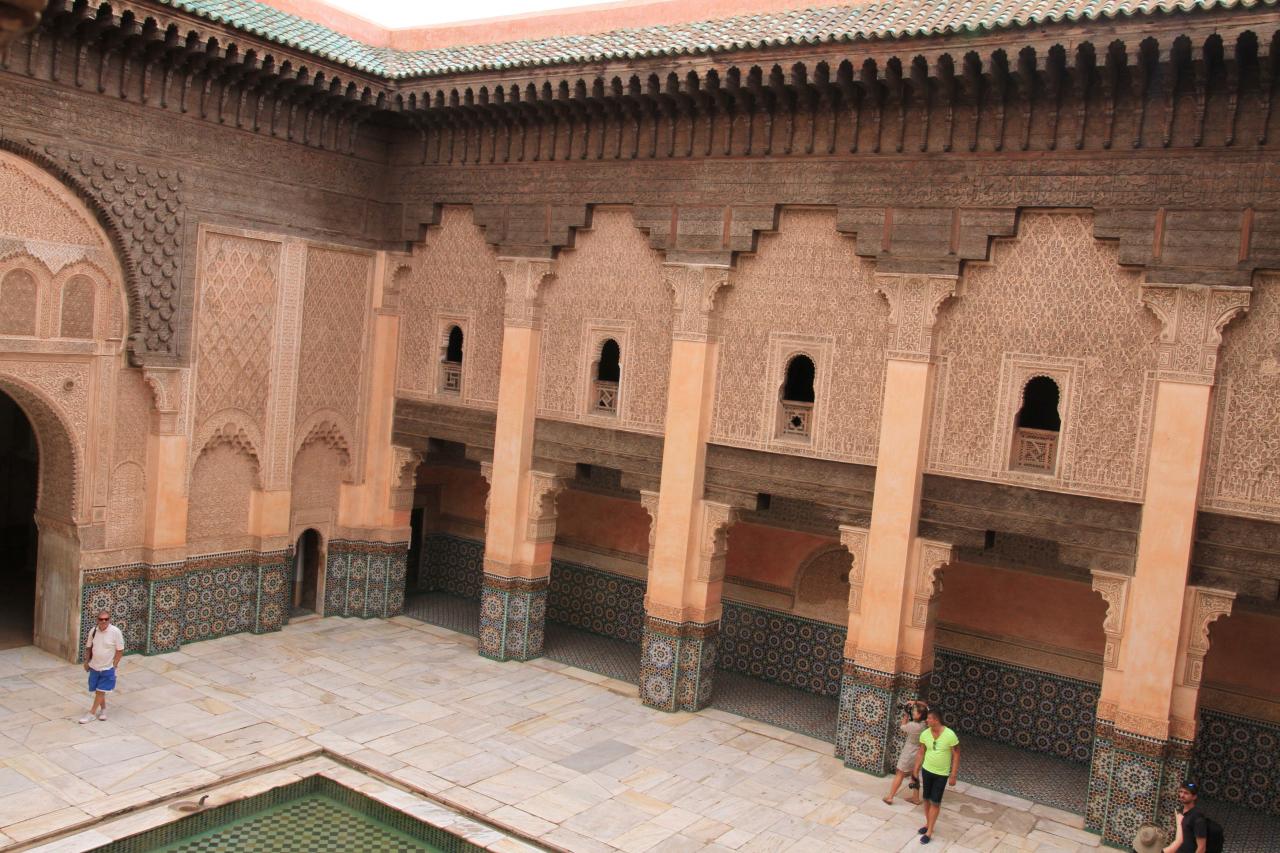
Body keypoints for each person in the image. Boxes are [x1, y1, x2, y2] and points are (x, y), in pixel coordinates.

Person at [912, 708, 960, 845]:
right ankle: (928, 824)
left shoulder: (950, 735)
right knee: (926, 799)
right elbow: (921, 751)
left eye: (929, 719)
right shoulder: (925, 734)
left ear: (936, 720)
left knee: (935, 802)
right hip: (927, 770)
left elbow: (956, 754)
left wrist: (953, 774)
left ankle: (929, 831)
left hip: (941, 774)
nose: (926, 720)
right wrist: (915, 769)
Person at [80, 610, 124, 724]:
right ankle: (103, 710)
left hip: (107, 667)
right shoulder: (93, 631)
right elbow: (88, 647)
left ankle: (92, 713)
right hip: (94, 666)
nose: (104, 621)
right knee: (98, 689)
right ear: (97, 620)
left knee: (101, 691)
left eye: (106, 619)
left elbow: (120, 650)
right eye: (101, 619)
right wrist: (86, 662)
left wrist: (114, 665)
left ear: (109, 619)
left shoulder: (115, 632)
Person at [883, 700, 927, 806]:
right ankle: (915, 798)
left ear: (920, 714)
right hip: (919, 752)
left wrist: (906, 714)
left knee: (900, 773)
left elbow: (902, 726)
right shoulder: (925, 723)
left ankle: (890, 797)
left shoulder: (913, 726)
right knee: (914, 774)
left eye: (915, 711)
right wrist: (916, 702)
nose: (913, 712)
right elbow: (926, 706)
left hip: (909, 752)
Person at [1163, 781, 1208, 853]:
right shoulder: (1179, 811)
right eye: (1181, 792)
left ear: (1194, 797)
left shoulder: (1197, 817)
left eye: (1186, 793)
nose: (1182, 795)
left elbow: (1201, 848)